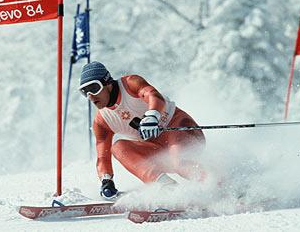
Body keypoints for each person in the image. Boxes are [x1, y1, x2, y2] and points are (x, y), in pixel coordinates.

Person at [78, 61, 206, 200]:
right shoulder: (102, 121)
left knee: (179, 164)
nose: (90, 96)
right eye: (84, 91)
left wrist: (152, 115)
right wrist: (106, 180)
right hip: (158, 151)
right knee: (118, 147)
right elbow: (103, 156)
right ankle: (168, 188)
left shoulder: (130, 83)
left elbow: (153, 95)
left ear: (107, 83)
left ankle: (214, 186)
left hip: (183, 130)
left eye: (94, 88)